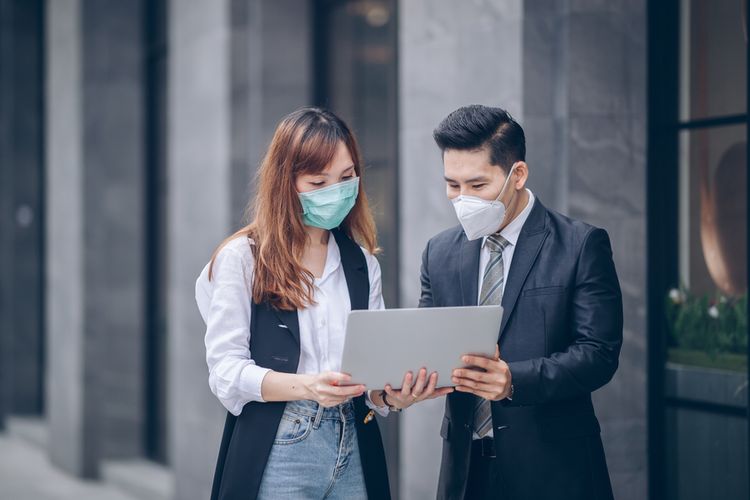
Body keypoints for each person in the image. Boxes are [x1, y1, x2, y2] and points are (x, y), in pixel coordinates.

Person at [195, 107, 449, 500]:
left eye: (347, 178)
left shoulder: (361, 262)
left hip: (355, 442)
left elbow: (371, 373)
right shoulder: (243, 257)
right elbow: (226, 372)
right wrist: (308, 387)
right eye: (319, 181)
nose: (336, 191)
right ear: (286, 183)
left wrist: (391, 396)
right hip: (281, 445)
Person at [419, 105, 623, 499]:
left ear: (518, 175)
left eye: (477, 186)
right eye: (452, 185)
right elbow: (429, 341)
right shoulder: (438, 252)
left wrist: (515, 380)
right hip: (465, 470)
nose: (462, 200)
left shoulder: (580, 245)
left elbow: (599, 354)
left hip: (554, 469)